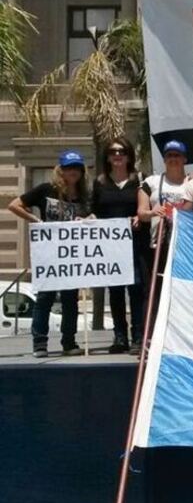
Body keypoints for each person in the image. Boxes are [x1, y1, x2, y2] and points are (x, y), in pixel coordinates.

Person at [8, 151, 89, 357]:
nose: (73, 172)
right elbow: (14, 205)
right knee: (45, 298)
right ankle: (40, 344)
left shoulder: (84, 194)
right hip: (49, 254)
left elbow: (93, 218)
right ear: (60, 170)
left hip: (72, 256)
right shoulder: (46, 190)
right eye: (69, 168)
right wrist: (37, 221)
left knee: (71, 300)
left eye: (77, 168)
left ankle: (69, 342)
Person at [90, 137, 148, 354]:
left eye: (122, 151)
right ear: (107, 157)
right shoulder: (100, 182)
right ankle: (120, 336)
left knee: (136, 290)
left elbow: (145, 207)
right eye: (113, 152)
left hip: (134, 244)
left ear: (129, 155)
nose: (117, 155)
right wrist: (88, 218)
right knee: (115, 292)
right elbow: (94, 209)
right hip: (110, 247)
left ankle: (138, 338)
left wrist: (137, 217)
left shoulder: (139, 180)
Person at [138, 140, 189, 322]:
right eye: (169, 155)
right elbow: (142, 213)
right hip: (157, 245)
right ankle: (149, 334)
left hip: (184, 247)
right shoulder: (151, 182)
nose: (173, 159)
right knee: (153, 291)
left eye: (177, 155)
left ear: (184, 159)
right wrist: (153, 212)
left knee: (181, 291)